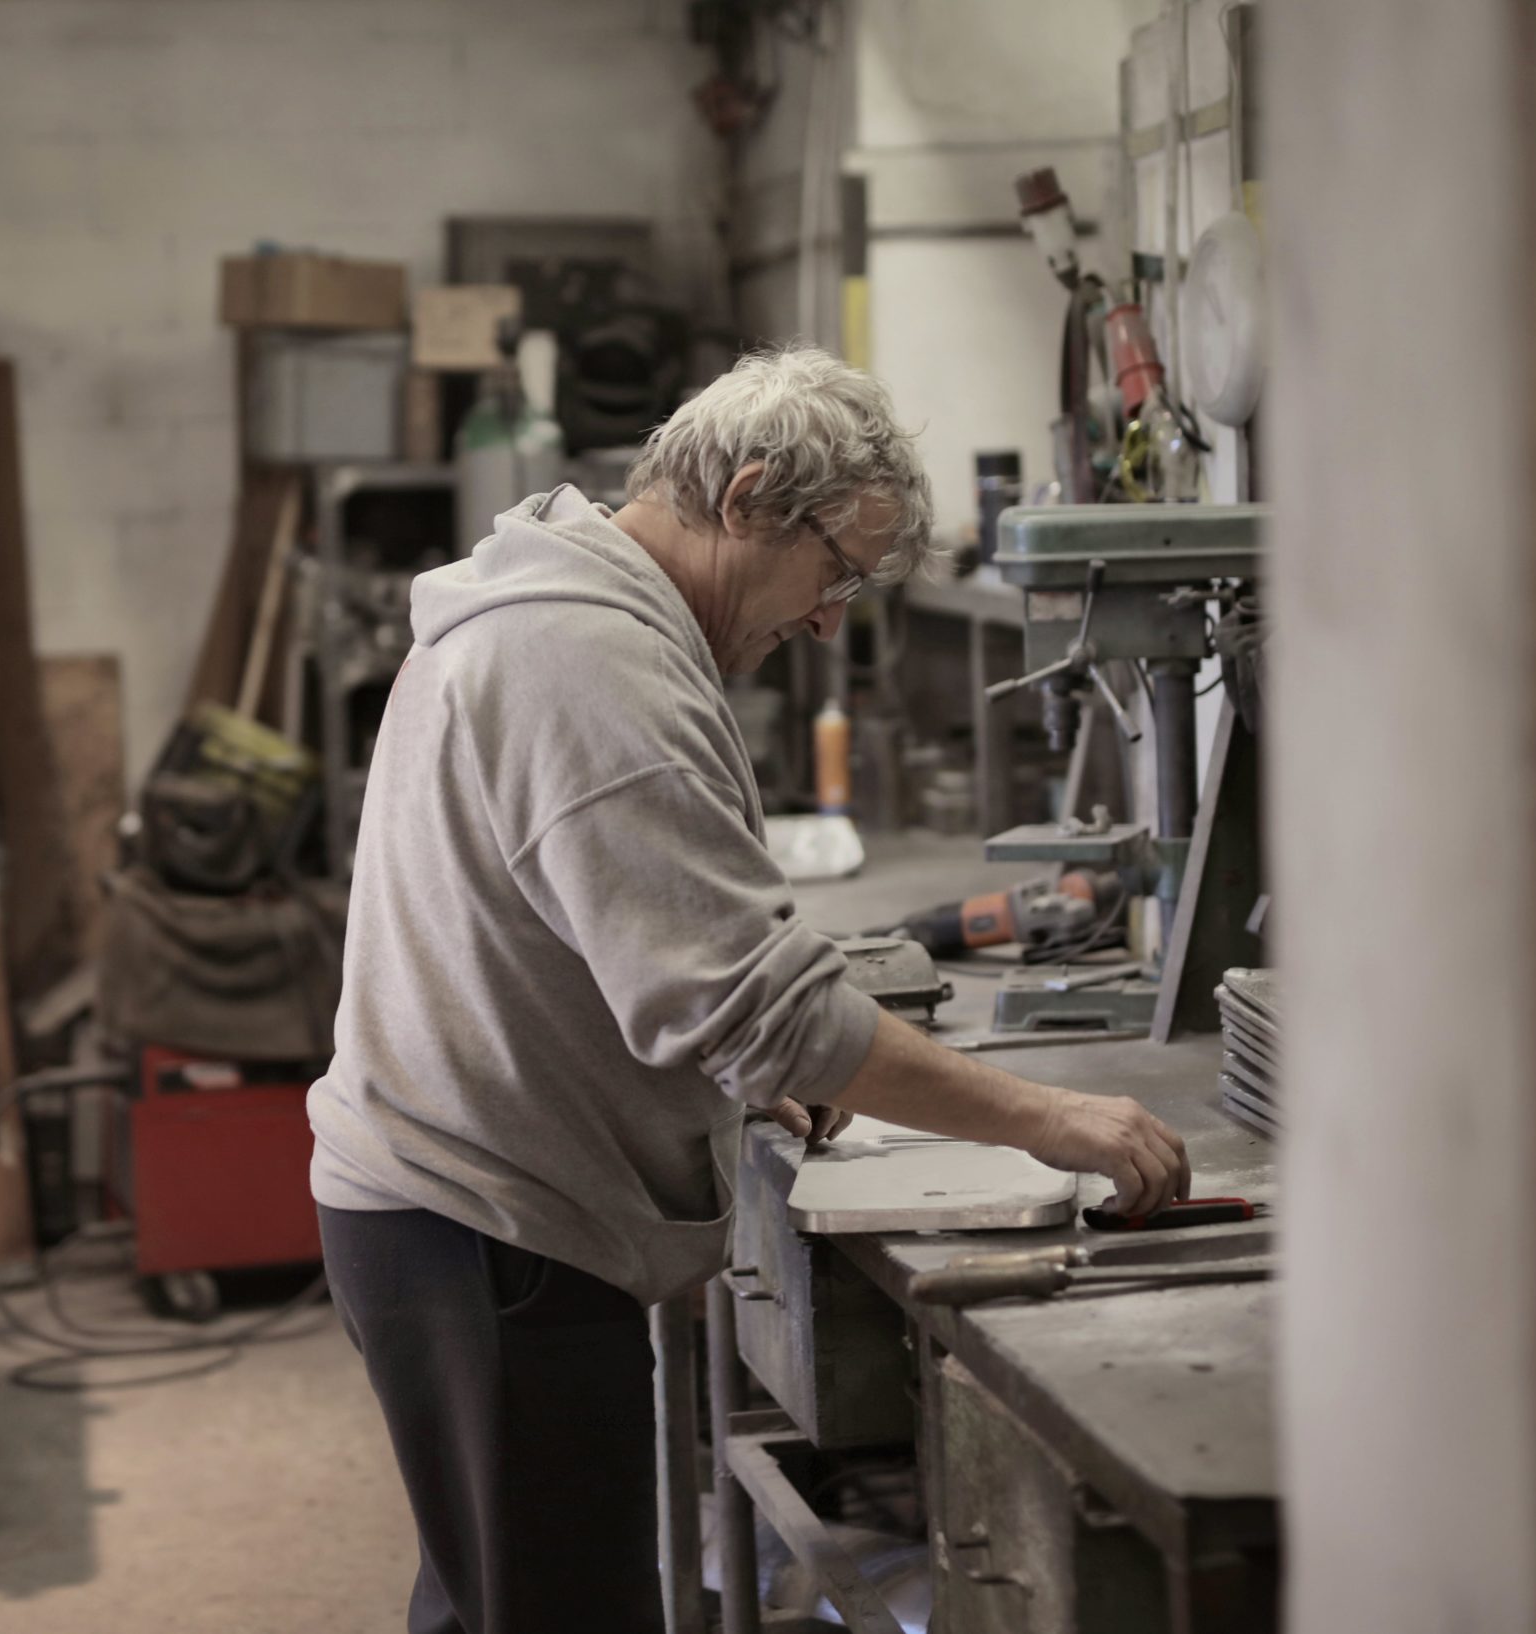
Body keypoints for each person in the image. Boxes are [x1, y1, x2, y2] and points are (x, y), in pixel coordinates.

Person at [307, 347, 1190, 1634]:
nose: (831, 617)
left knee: (488, 1604)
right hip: (487, 1233)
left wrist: (727, 1082)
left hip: (461, 1215)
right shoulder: (583, 657)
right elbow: (750, 1001)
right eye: (836, 570)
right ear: (751, 495)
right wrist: (1052, 1120)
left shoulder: (568, 611)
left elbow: (610, 951)